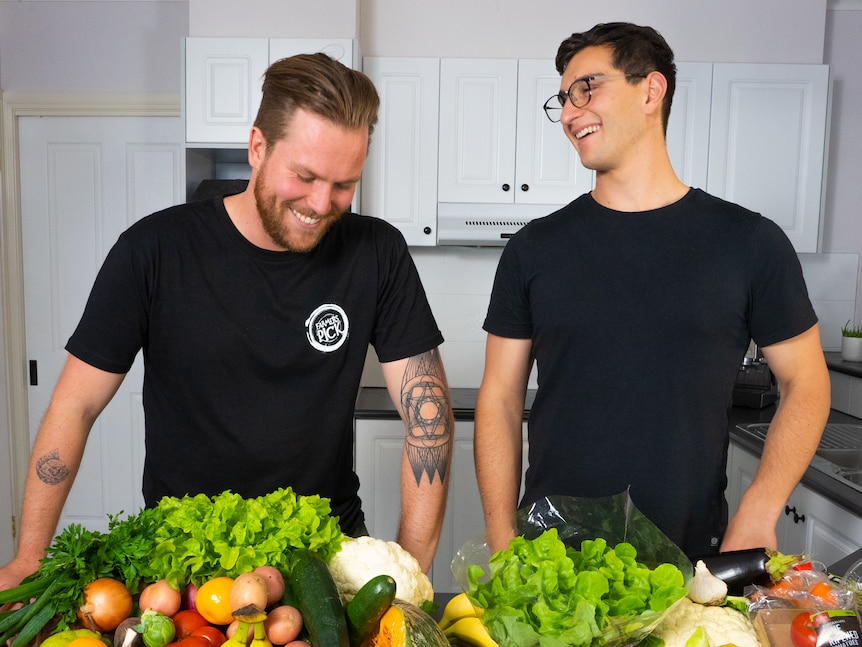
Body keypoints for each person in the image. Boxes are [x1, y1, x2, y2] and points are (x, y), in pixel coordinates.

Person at [0, 53, 453, 591]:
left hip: (323, 563)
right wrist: (29, 556)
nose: (321, 203)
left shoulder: (377, 252)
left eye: (343, 184)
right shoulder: (153, 251)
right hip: (183, 563)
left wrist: (410, 575)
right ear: (257, 147)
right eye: (304, 177)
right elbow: (75, 406)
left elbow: (429, 420)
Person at [474, 22, 830, 558]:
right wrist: (502, 535)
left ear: (651, 90)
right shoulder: (533, 249)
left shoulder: (751, 243)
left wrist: (760, 509)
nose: (569, 113)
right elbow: (499, 400)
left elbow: (807, 383)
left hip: (691, 557)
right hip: (550, 562)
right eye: (563, 99)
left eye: (586, 88)